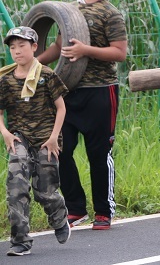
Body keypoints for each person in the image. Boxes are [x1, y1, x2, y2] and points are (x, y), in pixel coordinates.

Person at [38, 0, 127, 230]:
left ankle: (104, 211)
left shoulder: (110, 13)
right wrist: (33, 64)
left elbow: (119, 53)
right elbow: (59, 49)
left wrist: (85, 51)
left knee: (99, 154)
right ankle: (75, 208)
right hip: (68, 91)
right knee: (60, 150)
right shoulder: (68, 10)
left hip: (101, 92)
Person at [0, 27, 71, 256]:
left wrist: (53, 137)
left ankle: (59, 218)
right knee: (16, 188)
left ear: (34, 47)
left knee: (45, 192)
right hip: (19, 138)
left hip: (45, 140)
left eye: (22, 46)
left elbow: (61, 108)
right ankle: (20, 240)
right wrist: (5, 133)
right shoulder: (6, 80)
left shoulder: (47, 75)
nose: (17, 51)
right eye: (12, 47)